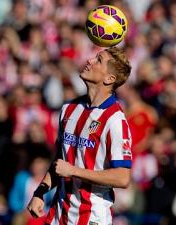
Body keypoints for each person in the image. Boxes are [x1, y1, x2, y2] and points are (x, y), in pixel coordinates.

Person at [27, 46, 133, 225]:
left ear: (110, 78)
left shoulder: (115, 120)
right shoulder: (68, 109)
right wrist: (40, 192)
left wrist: (74, 171)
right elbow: (61, 162)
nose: (90, 60)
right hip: (58, 213)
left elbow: (122, 177)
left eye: (99, 60)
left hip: (92, 216)